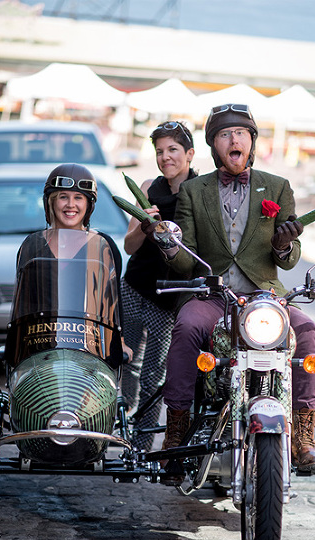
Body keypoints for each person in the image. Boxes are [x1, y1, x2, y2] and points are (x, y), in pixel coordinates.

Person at [143, 103, 315, 480]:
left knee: (307, 331)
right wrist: (168, 245)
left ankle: (304, 438)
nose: (234, 139)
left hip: (264, 297)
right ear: (214, 146)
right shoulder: (194, 190)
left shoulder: (277, 187)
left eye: (241, 133)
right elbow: (183, 261)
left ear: (252, 142)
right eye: (225, 134)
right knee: (187, 327)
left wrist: (282, 245)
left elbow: (289, 261)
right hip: (213, 294)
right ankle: (176, 434)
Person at [121, 121, 197, 451]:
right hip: (133, 287)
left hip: (168, 299)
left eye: (173, 150)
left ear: (189, 154)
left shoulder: (201, 192)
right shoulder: (148, 186)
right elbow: (129, 246)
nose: (165, 157)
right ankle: (120, 435)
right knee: (123, 365)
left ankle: (141, 445)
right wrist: (145, 225)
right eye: (160, 151)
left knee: (153, 375)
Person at [8, 163, 131, 363]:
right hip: (40, 346)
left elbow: (113, 299)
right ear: (50, 201)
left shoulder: (103, 246)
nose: (70, 205)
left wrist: (121, 340)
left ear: (89, 204)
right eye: (63, 197)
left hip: (89, 346)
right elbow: (23, 302)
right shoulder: (32, 245)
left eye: (78, 198)